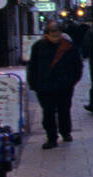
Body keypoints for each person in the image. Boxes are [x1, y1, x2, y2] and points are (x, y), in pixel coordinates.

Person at [27, 19, 83, 149]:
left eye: (57, 35)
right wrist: (34, 83)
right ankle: (51, 137)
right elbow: (32, 66)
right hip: (45, 86)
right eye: (52, 35)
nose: (55, 38)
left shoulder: (68, 47)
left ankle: (65, 132)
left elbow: (77, 66)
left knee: (64, 110)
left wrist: (72, 81)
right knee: (48, 112)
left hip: (64, 85)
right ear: (46, 34)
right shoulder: (38, 47)